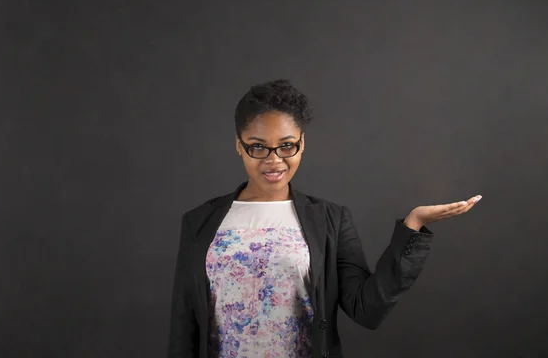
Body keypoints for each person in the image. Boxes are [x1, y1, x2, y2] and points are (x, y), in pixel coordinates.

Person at [167, 79, 481, 358]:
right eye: (258, 147)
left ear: (301, 144)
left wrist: (412, 227)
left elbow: (367, 309)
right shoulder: (199, 222)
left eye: (286, 146)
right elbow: (184, 327)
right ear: (240, 146)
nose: (274, 160)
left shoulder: (330, 220)